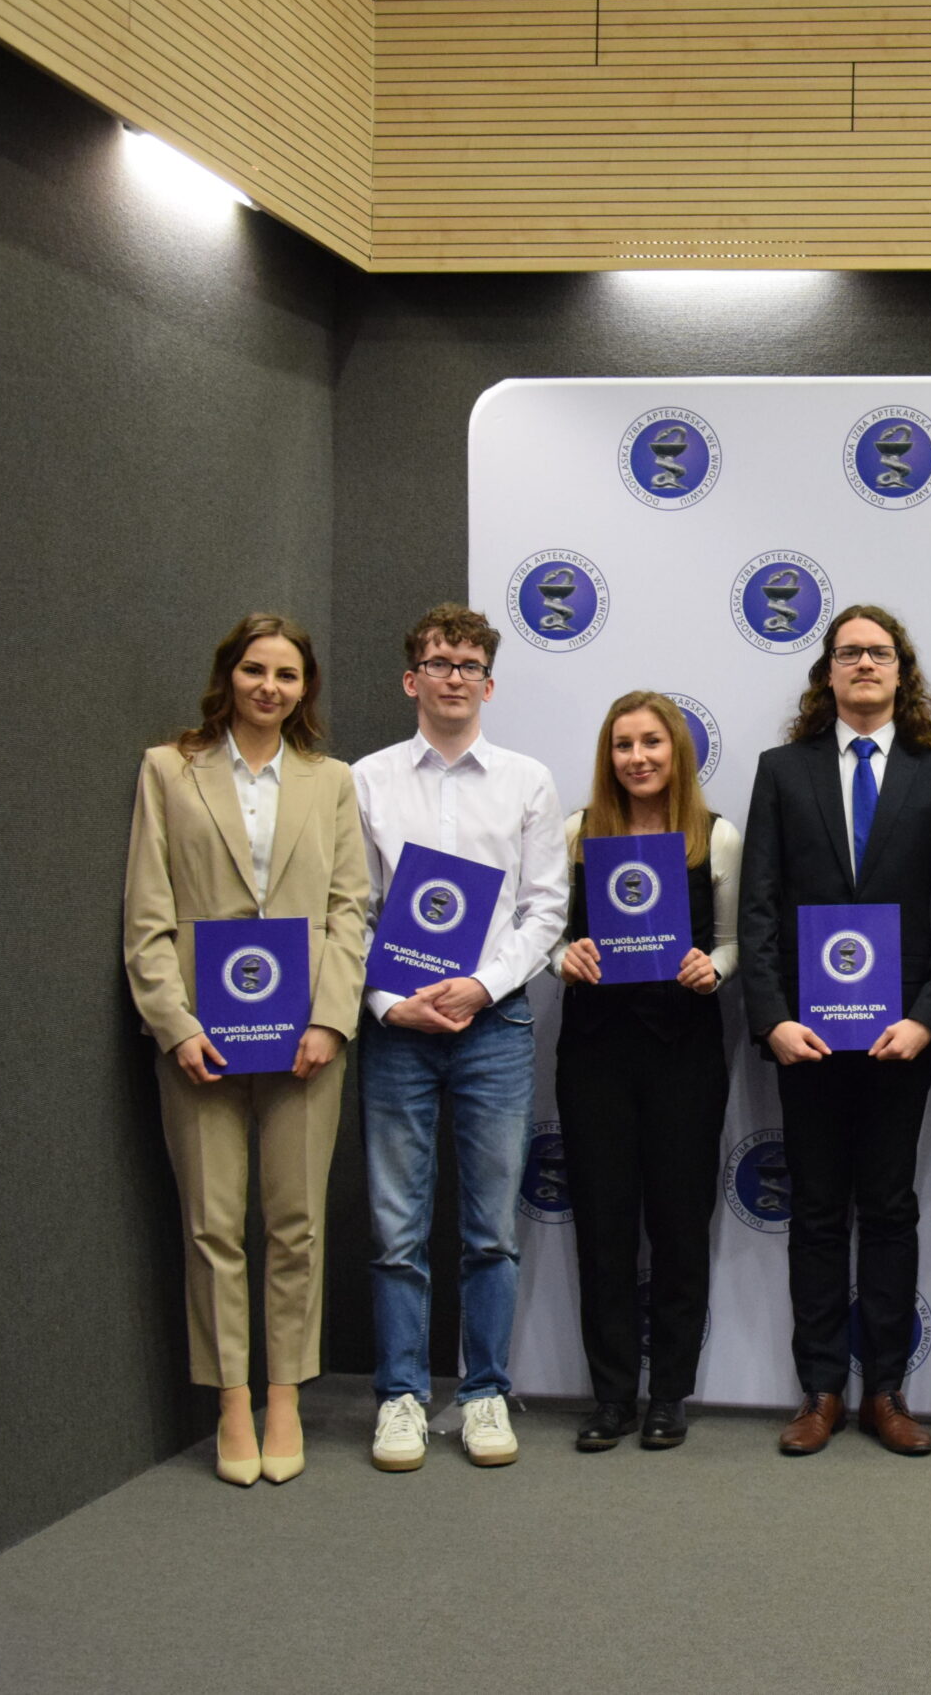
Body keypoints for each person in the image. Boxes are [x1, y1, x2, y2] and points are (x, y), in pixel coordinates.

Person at [123, 613, 370, 1486]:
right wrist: (175, 1025)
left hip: (305, 1038)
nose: (270, 687)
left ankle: (284, 1395)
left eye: (288, 675)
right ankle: (233, 1397)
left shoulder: (331, 780)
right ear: (228, 674)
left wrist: (330, 1019)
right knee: (212, 1225)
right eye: (256, 670)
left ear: (305, 690)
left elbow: (349, 911)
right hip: (202, 1039)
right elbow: (147, 915)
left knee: (296, 1224)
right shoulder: (169, 769)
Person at [738, 605, 931, 1457]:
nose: (865, 664)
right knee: (814, 1211)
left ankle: (885, 1390)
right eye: (850, 652)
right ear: (829, 671)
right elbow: (757, 905)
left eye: (879, 652)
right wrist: (773, 1018)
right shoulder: (782, 771)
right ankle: (819, 1391)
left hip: (897, 1039)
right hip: (804, 1037)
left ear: (900, 670)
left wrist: (927, 1019)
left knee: (887, 1209)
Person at [352, 603, 568, 1472]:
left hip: (494, 1024)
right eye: (439, 662)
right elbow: (351, 909)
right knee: (396, 1228)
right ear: (412, 679)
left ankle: (484, 1392)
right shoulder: (365, 780)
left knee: (491, 1229)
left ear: (489, 683)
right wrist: (386, 1001)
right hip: (398, 1027)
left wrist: (482, 983)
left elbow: (545, 908)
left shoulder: (527, 781)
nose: (454, 676)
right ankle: (401, 1396)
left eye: (470, 664)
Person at [552, 692, 738, 1453]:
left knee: (679, 1223)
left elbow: (733, 941)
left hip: (683, 1050)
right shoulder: (577, 833)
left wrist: (713, 968)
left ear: (676, 751)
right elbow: (547, 931)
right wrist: (561, 957)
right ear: (609, 755)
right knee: (603, 1226)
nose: (638, 757)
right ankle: (611, 1397)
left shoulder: (716, 836)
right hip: (595, 1050)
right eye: (624, 744)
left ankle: (668, 1395)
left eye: (652, 742)